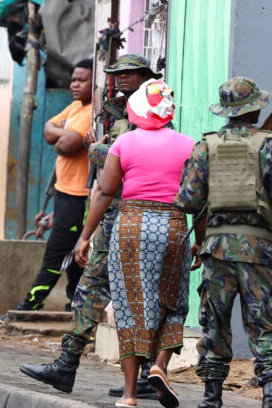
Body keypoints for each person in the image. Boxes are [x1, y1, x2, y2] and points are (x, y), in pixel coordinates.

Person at [20, 54, 163, 398]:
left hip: (138, 212)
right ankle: (67, 365)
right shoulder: (114, 109)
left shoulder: (156, 109)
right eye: (119, 73)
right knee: (91, 288)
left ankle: (145, 375)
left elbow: (123, 156)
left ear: (146, 76)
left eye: (131, 73)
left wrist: (96, 148)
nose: (123, 79)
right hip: (112, 212)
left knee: (137, 296)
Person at [174, 77, 272, 408]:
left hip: (216, 251)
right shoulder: (270, 145)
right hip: (258, 250)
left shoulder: (205, 146)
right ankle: (271, 400)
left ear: (226, 113)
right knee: (266, 323)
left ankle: (211, 399)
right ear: (255, 108)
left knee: (214, 322)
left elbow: (187, 200)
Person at [72, 79, 195, 408]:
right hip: (173, 225)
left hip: (131, 226)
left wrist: (84, 237)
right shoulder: (189, 145)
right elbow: (201, 198)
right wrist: (202, 239)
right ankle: (159, 365)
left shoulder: (123, 143)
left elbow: (104, 191)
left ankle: (128, 395)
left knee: (130, 306)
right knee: (173, 300)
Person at [0, 59, 93, 323]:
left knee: (57, 252)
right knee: (72, 255)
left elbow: (65, 146)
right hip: (64, 193)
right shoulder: (76, 106)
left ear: (93, 83)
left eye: (81, 80)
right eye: (73, 79)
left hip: (79, 197)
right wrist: (62, 132)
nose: (74, 84)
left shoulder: (89, 114)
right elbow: (47, 129)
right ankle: (75, 303)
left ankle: (30, 304)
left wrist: (61, 133)